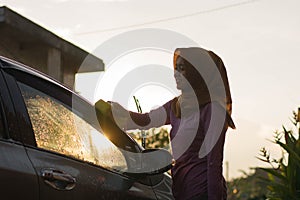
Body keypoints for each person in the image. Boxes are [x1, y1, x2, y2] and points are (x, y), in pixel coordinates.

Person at [95, 47, 235, 200]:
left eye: (182, 69)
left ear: (197, 73)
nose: (176, 74)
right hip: (180, 189)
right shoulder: (177, 105)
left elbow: (214, 163)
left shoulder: (213, 110)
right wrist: (116, 113)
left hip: (202, 191)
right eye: (176, 68)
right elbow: (146, 120)